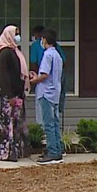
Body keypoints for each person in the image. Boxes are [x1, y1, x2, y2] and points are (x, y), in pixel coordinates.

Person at [0, 25, 29, 162]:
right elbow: (4, 76)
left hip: (17, 92)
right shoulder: (4, 53)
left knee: (16, 123)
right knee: (7, 123)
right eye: (15, 34)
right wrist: (9, 95)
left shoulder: (15, 51)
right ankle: (6, 152)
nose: (18, 37)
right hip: (9, 94)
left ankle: (16, 150)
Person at [32, 29, 65, 165]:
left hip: (46, 93)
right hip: (55, 93)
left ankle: (52, 152)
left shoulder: (47, 55)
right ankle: (58, 149)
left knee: (48, 124)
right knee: (55, 123)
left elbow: (44, 74)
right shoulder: (57, 55)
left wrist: (34, 80)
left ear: (45, 40)